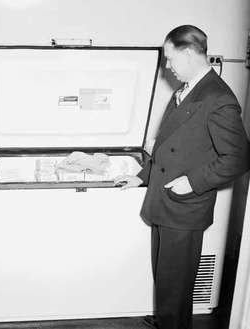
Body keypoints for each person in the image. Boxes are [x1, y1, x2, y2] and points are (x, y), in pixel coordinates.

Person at [114, 25, 250, 329]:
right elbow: (164, 146)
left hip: (185, 206)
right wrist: (142, 176)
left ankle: (172, 322)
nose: (167, 66)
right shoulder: (185, 91)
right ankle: (166, 319)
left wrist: (194, 181)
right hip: (165, 200)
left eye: (170, 58)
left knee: (176, 281)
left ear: (188, 54)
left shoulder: (217, 98)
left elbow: (239, 157)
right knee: (165, 277)